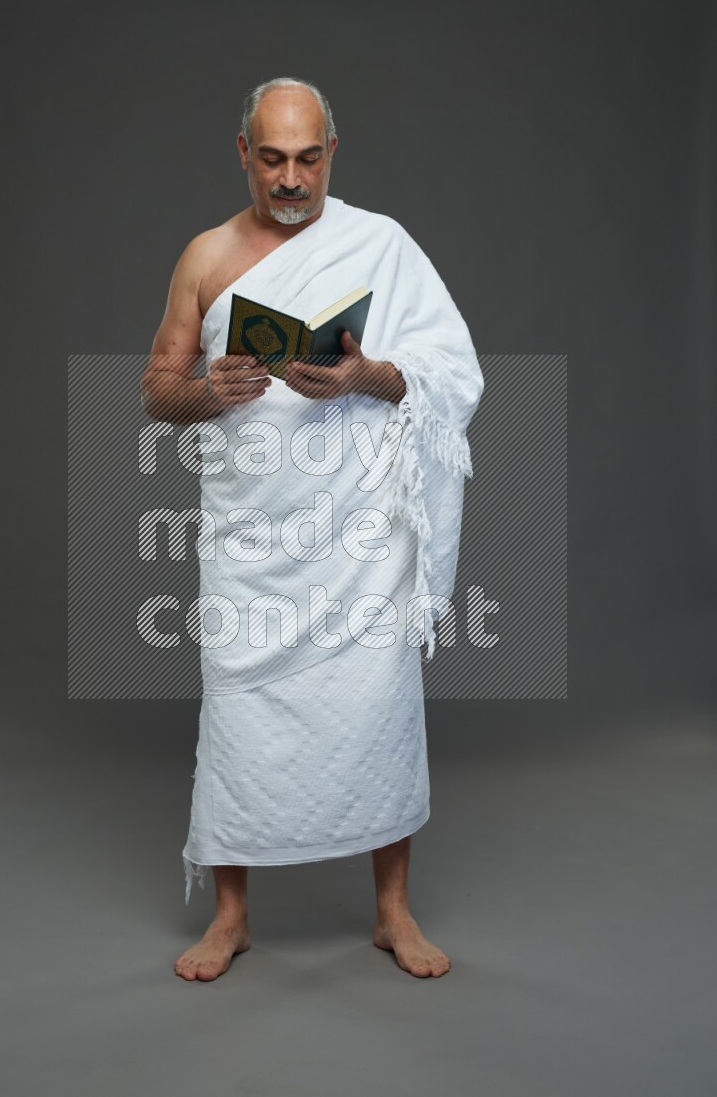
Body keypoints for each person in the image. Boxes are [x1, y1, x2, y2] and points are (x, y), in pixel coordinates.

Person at [140, 76, 484, 981]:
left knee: (379, 710)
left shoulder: (384, 246)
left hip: (361, 539)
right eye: (272, 158)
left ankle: (392, 913)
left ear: (333, 151)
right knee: (241, 712)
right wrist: (212, 389)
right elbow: (156, 390)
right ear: (243, 154)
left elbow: (454, 374)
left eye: (307, 157)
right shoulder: (206, 256)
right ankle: (230, 917)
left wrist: (367, 377)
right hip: (252, 538)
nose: (291, 179)